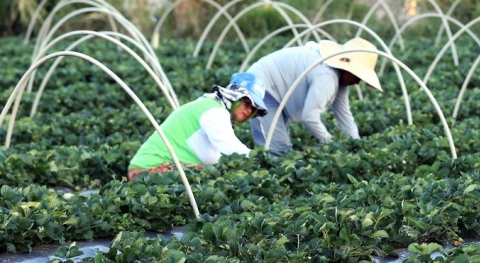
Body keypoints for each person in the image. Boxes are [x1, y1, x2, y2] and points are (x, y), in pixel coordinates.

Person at [246, 37, 382, 156]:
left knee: (280, 148)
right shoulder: (327, 76)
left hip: (278, 89)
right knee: (275, 149)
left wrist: (355, 143)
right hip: (261, 84)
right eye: (358, 76)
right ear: (347, 68)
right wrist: (329, 142)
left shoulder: (339, 78)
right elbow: (309, 117)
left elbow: (344, 114)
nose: (358, 82)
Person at [128, 72, 267, 181]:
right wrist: (261, 161)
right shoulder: (214, 111)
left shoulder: (213, 106)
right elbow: (230, 148)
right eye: (246, 103)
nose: (249, 110)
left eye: (254, 109)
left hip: (155, 168)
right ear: (235, 97)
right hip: (148, 171)